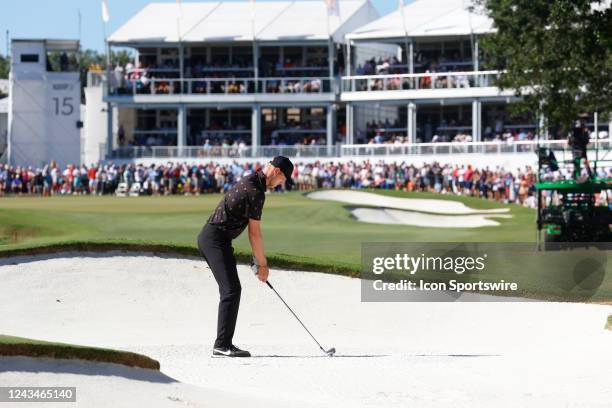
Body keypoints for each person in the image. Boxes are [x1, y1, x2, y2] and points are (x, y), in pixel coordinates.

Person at [196, 156, 294, 357]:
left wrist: (256, 259)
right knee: (231, 290)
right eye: (283, 179)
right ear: (276, 172)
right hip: (214, 240)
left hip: (218, 240)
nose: (282, 183)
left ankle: (223, 344)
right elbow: (254, 233)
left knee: (232, 289)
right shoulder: (256, 191)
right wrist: (263, 264)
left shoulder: (253, 181)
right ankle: (222, 345)